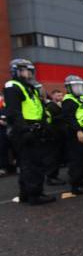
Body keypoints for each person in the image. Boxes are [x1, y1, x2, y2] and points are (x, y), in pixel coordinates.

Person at [3, 59, 56, 204]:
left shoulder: (28, 87)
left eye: (30, 71)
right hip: (26, 130)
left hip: (33, 128)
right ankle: (35, 195)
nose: (29, 74)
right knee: (33, 165)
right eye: (26, 71)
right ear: (17, 71)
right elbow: (13, 112)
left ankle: (26, 193)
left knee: (28, 163)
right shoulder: (13, 86)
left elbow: (36, 108)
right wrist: (27, 129)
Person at [62, 75, 83, 195]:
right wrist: (78, 131)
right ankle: (76, 186)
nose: (78, 88)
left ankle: (80, 180)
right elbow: (69, 118)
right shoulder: (68, 100)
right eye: (75, 86)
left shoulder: (79, 99)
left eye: (80, 86)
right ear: (69, 88)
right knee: (77, 159)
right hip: (76, 133)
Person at [44, 89, 67, 185]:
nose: (60, 98)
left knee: (57, 157)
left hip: (60, 135)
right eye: (58, 96)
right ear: (53, 96)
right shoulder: (50, 107)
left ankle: (54, 176)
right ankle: (51, 177)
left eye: (61, 96)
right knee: (53, 157)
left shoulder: (61, 106)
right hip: (54, 135)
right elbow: (50, 120)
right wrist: (63, 114)